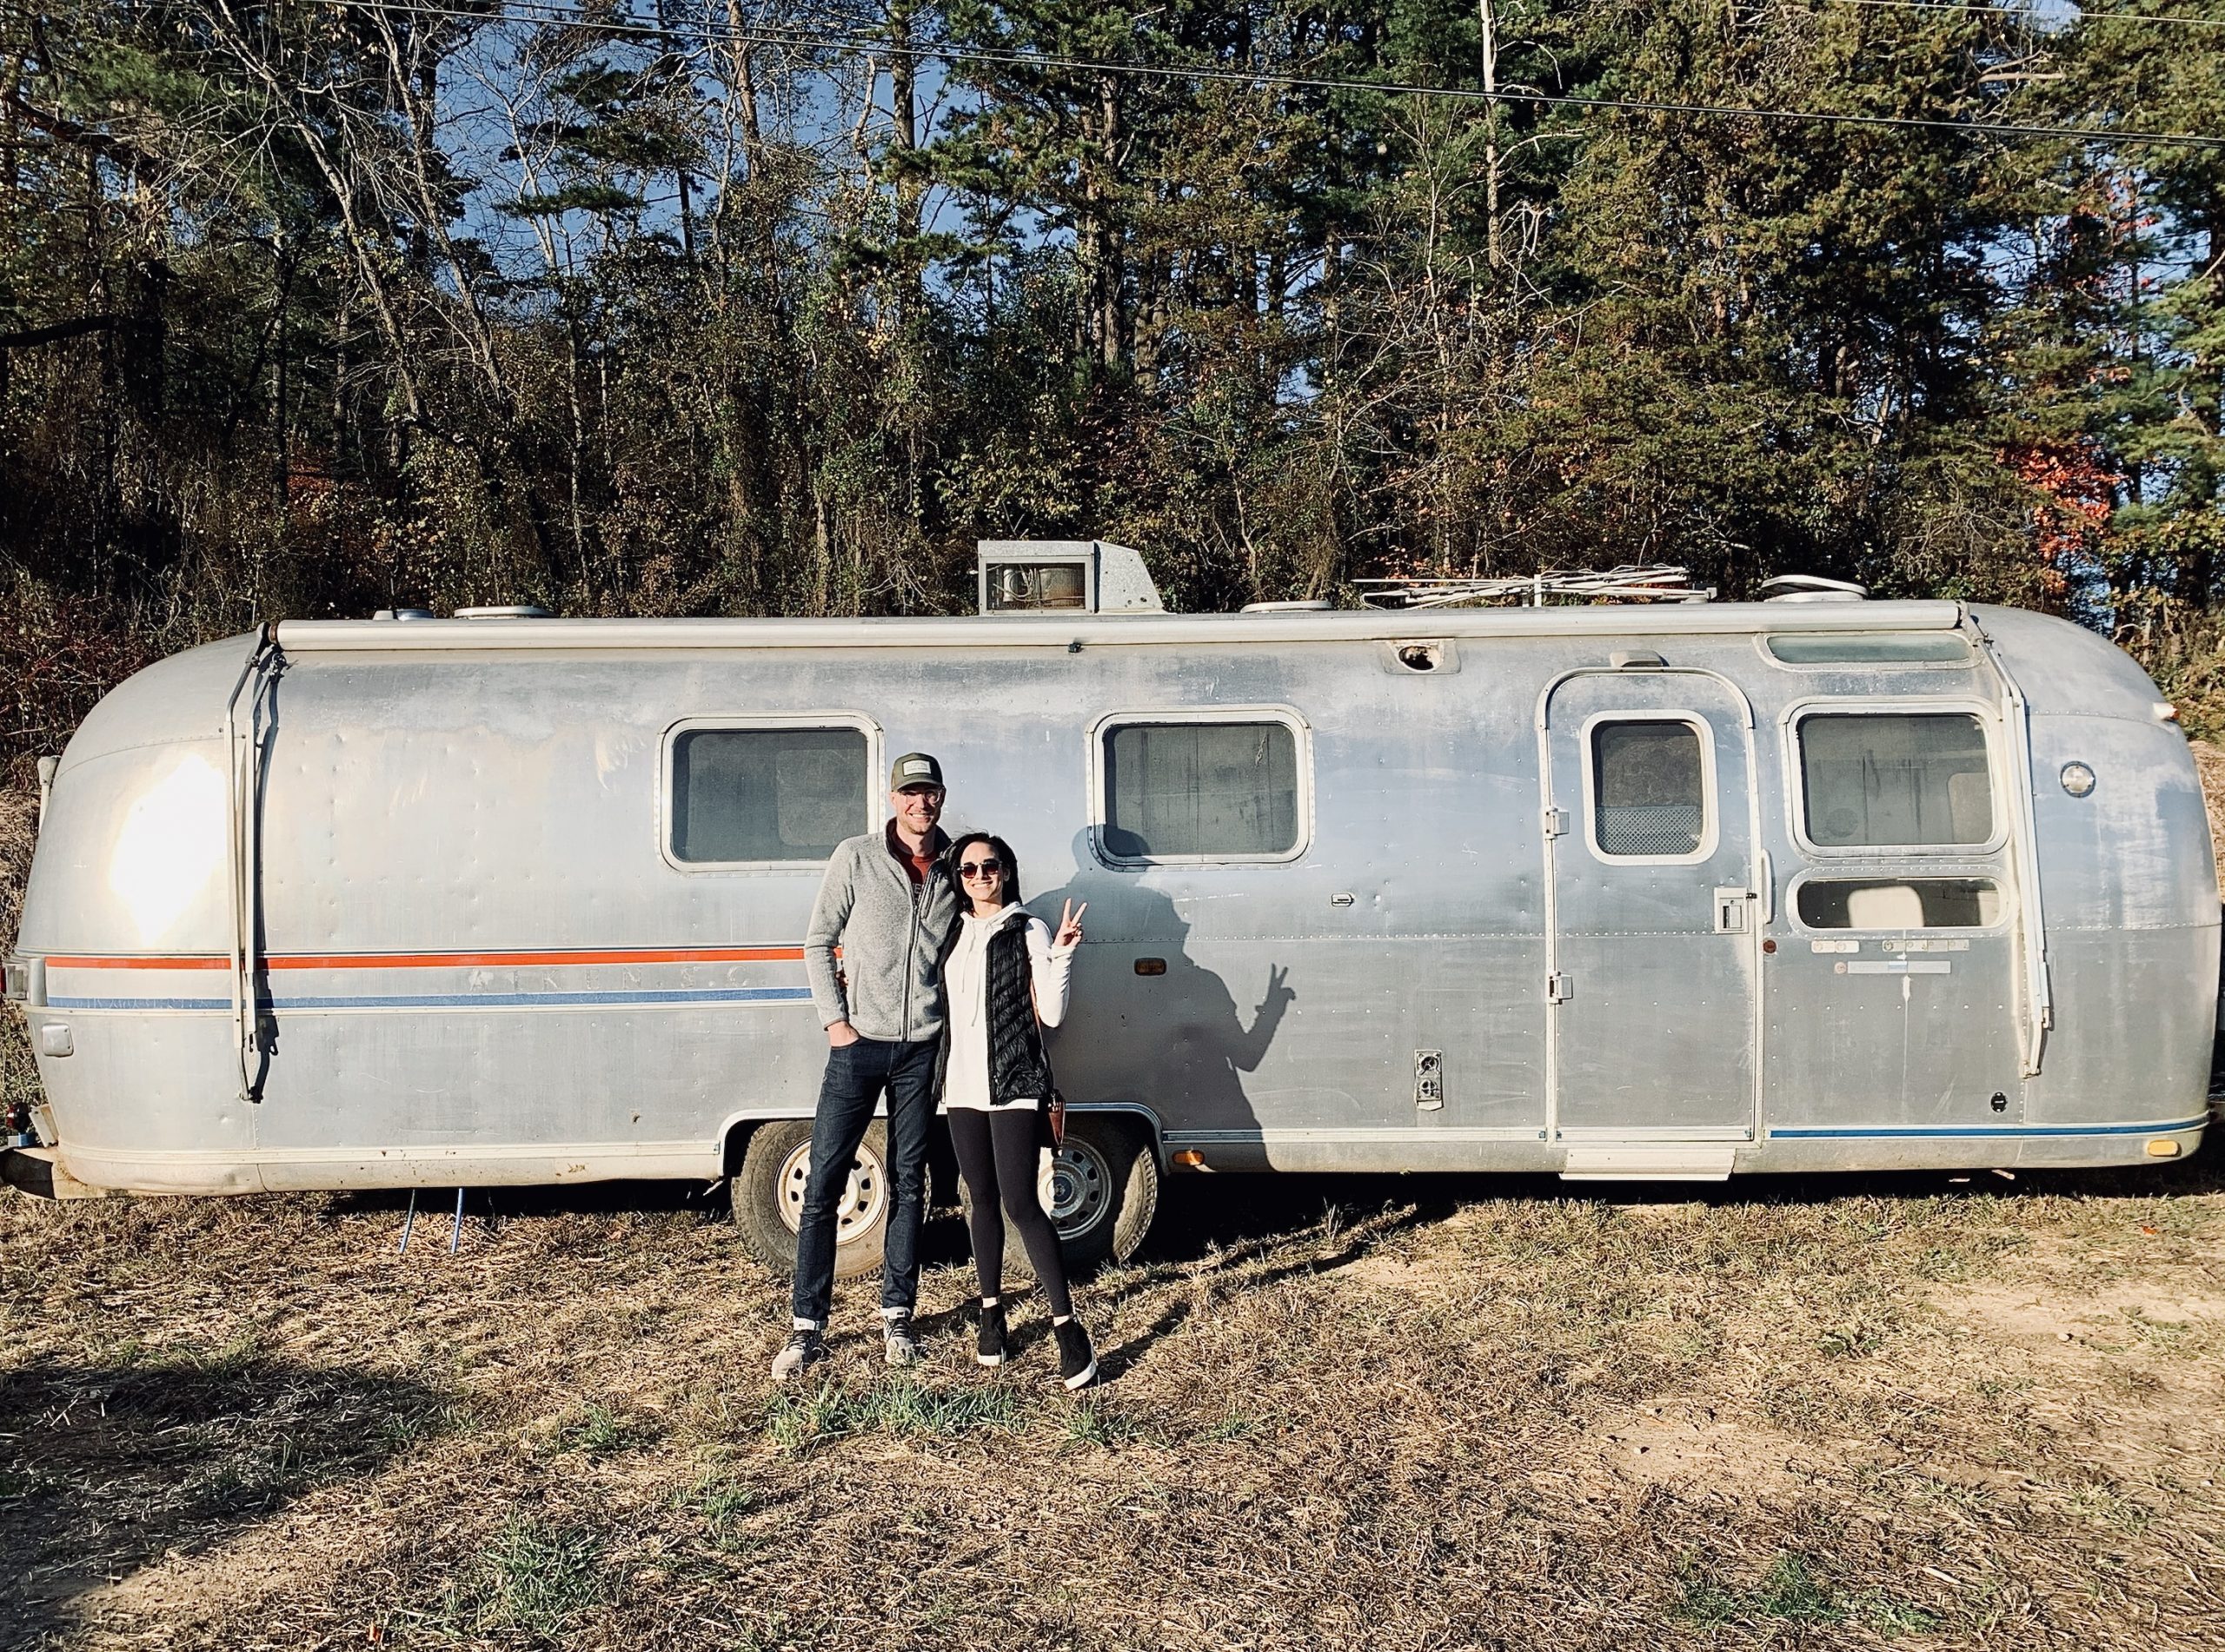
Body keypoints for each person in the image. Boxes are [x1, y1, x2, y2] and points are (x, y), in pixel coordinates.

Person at [774, 752, 957, 1381]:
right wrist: (837, 1023)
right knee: (825, 1181)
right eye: (909, 792)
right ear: (893, 798)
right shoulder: (856, 856)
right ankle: (807, 1326)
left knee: (910, 1181)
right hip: (859, 1047)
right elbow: (817, 941)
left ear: (940, 796)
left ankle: (898, 1315)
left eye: (928, 792)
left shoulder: (957, 865)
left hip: (921, 1049)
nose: (920, 803)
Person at [940, 830, 1097, 1390]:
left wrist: (1063, 953)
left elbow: (1051, 1014)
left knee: (1021, 1203)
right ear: (959, 879)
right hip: (960, 1085)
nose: (980, 876)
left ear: (1006, 871)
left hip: (1013, 1083)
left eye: (990, 866)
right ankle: (991, 1314)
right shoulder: (952, 931)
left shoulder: (1027, 928)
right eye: (969, 869)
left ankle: (1067, 1328)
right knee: (979, 1200)